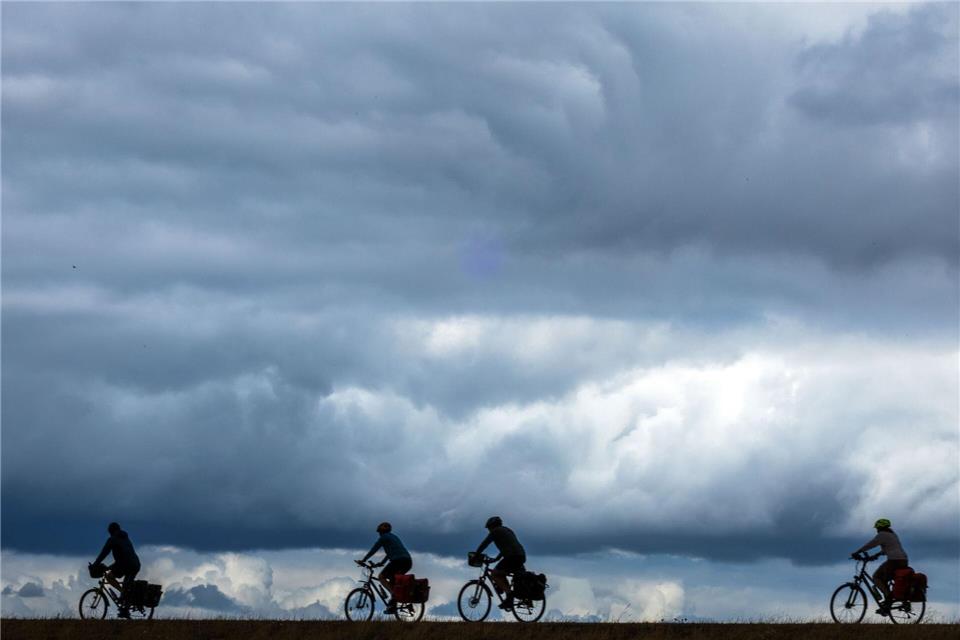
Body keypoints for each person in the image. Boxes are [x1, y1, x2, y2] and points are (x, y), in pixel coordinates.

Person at [851, 518, 909, 614]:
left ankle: (888, 599)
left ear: (879, 528)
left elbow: (871, 544)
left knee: (876, 577)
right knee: (885, 579)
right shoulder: (892, 534)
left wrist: (857, 552)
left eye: (877, 528)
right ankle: (889, 601)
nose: (876, 530)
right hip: (904, 560)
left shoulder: (882, 535)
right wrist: (876, 555)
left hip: (894, 561)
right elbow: (889, 548)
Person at [357, 522, 412, 614]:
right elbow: (391, 552)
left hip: (398, 561)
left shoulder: (384, 537)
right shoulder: (393, 537)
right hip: (407, 561)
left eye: (379, 529)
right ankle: (393, 604)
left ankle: (394, 596)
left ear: (381, 531)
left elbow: (374, 549)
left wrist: (363, 560)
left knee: (381, 577)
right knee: (392, 580)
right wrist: (382, 563)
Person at [474, 516, 526, 611]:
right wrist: (496, 559)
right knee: (503, 573)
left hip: (512, 557)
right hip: (520, 556)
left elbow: (484, 544)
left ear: (492, 526)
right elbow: (507, 548)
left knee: (494, 574)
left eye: (489, 528)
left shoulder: (495, 531)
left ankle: (509, 595)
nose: (489, 530)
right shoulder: (507, 530)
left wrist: (476, 554)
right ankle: (511, 597)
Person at [92, 522, 141, 618]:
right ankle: (125, 605)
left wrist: (95, 564)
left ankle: (123, 594)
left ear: (110, 531)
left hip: (125, 564)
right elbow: (123, 556)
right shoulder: (125, 538)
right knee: (126, 584)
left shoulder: (112, 539)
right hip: (135, 564)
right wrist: (109, 567)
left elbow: (104, 553)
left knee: (109, 577)